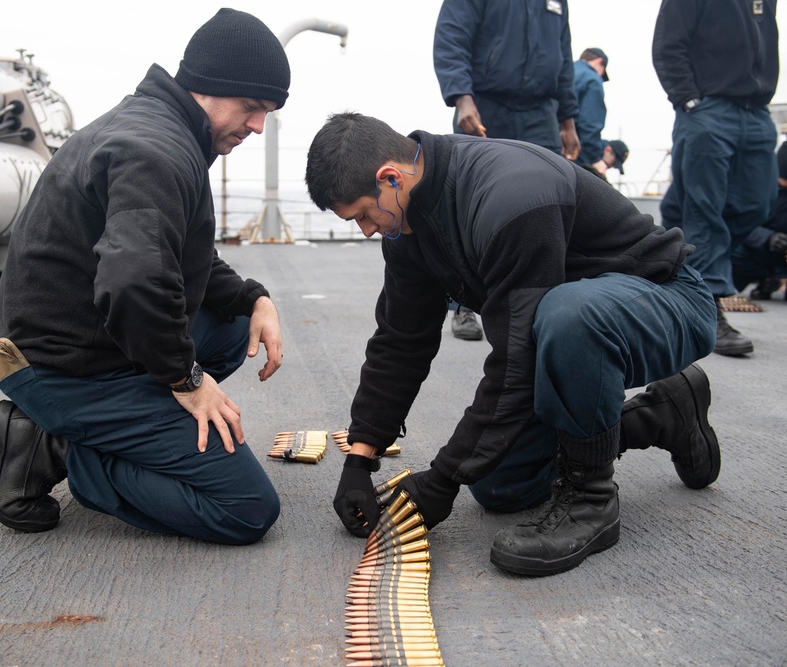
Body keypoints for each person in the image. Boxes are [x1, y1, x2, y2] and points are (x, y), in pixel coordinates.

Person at [306, 112, 719, 577]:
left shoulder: (509, 194)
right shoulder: (408, 225)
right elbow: (401, 341)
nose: (365, 229)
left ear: (390, 177)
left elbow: (517, 360)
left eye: (363, 214)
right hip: (570, 331)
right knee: (502, 485)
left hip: (667, 300)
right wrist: (361, 457)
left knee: (567, 315)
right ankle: (663, 415)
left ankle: (592, 502)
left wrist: (442, 477)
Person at [0, 8, 289, 545]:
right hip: (61, 367)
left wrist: (254, 298)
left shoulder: (169, 131)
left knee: (235, 329)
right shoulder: (156, 153)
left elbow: (178, 257)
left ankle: (120, 419)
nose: (258, 126)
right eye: (252, 107)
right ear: (208, 89)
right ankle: (61, 447)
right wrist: (186, 380)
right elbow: (135, 281)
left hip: (86, 339)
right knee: (246, 509)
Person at [433, 0, 580, 342]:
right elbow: (451, 37)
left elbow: (563, 56)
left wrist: (568, 118)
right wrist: (461, 96)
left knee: (551, 201)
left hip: (541, 111)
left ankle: (546, 303)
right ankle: (463, 304)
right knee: (467, 205)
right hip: (485, 104)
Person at [652, 0, 780, 356]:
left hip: (755, 111)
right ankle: (709, 308)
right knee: (705, 213)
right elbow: (667, 43)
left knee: (759, 203)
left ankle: (675, 276)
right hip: (709, 107)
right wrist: (689, 100)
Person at [732, 141, 787, 300]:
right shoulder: (759, 187)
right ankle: (767, 278)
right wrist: (767, 238)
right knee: (728, 253)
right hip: (761, 251)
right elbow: (740, 224)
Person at [573, 47, 610, 172]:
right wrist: (594, 158)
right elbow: (590, 122)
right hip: (573, 151)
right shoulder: (592, 79)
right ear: (599, 62)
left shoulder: (565, 71)